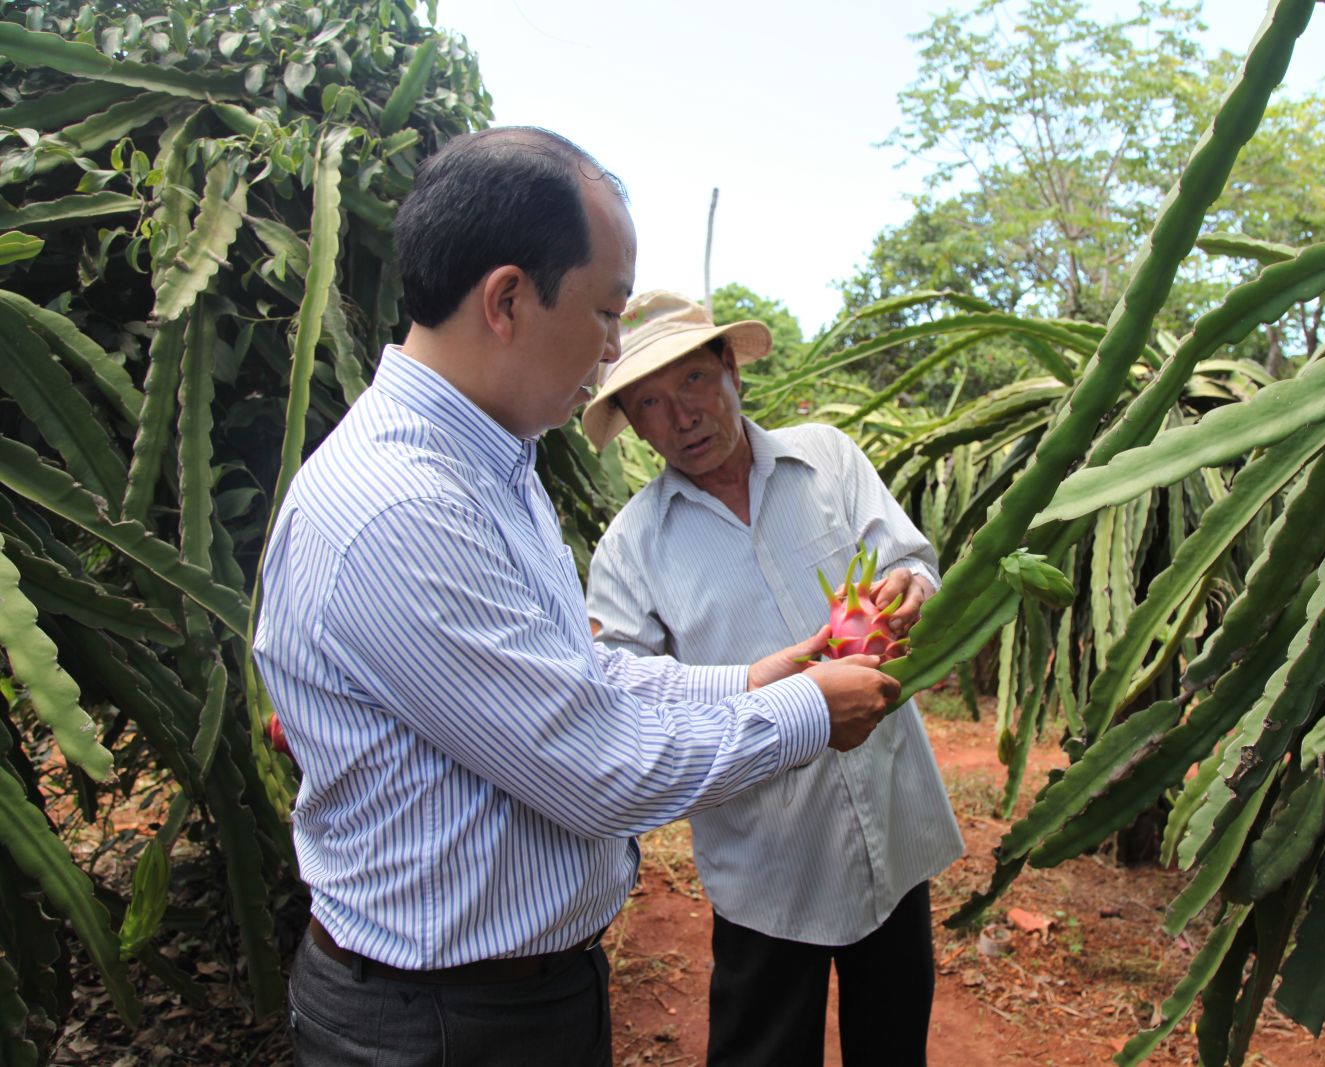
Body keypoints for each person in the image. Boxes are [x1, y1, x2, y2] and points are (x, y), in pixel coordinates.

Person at [250, 129, 903, 1067]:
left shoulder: (491, 469)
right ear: (509, 300)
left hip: (510, 997)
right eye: (605, 314)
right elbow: (595, 762)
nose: (610, 354)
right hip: (444, 1026)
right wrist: (806, 710)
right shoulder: (402, 508)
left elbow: (581, 676)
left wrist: (753, 680)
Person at [584, 291, 965, 1067]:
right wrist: (762, 689)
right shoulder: (630, 551)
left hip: (888, 828)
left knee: (893, 1050)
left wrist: (911, 588)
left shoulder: (827, 457)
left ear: (729, 367)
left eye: (692, 381)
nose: (680, 417)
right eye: (649, 402)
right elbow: (623, 696)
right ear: (631, 419)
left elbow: (909, 558)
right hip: (770, 866)